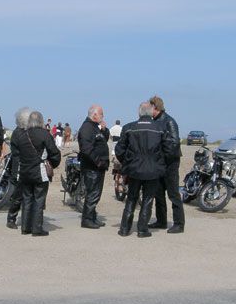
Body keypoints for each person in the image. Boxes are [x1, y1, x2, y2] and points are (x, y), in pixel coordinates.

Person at [115, 102, 171, 237]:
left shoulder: (129, 127)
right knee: (148, 199)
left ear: (139, 112)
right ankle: (142, 229)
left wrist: (127, 163)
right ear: (151, 112)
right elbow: (168, 149)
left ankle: (124, 229)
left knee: (131, 199)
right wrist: (160, 164)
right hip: (152, 170)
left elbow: (119, 150)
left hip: (134, 169)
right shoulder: (160, 128)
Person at [10, 110, 61, 236]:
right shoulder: (44, 134)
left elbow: (17, 154)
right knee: (39, 199)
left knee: (27, 199)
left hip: (25, 172)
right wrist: (52, 164)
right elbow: (54, 153)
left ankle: (25, 228)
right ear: (41, 121)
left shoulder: (21, 135)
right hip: (39, 171)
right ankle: (37, 228)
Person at [149, 95, 184, 234]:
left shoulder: (169, 121)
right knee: (158, 193)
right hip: (160, 164)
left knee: (173, 193)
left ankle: (179, 223)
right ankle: (161, 220)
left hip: (170, 163)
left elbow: (174, 143)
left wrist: (162, 157)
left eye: (150, 108)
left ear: (156, 108)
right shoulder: (156, 121)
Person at [77, 104, 110, 229]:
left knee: (96, 193)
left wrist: (104, 130)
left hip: (98, 168)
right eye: (101, 114)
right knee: (92, 193)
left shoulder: (95, 127)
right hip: (92, 167)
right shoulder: (86, 128)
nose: (103, 116)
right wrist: (98, 161)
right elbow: (86, 149)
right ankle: (87, 219)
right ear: (94, 114)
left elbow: (103, 140)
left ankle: (92, 217)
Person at [5, 107, 31, 230]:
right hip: (20, 166)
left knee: (23, 194)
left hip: (23, 166)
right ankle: (11, 218)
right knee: (19, 194)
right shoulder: (19, 133)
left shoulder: (21, 132)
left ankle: (23, 218)